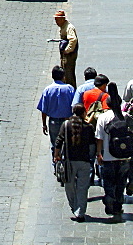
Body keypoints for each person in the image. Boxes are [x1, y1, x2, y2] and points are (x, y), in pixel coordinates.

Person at [95, 83, 132, 220]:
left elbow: (99, 138)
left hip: (108, 156)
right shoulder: (126, 116)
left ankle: (110, 201)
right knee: (121, 182)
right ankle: (118, 204)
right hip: (124, 156)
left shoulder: (103, 118)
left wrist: (99, 153)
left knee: (109, 181)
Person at [54, 104, 96, 222]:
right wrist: (91, 157)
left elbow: (58, 141)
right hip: (84, 162)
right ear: (83, 113)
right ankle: (80, 212)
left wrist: (56, 155)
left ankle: (74, 207)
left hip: (69, 162)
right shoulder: (88, 127)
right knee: (83, 188)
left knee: (69, 186)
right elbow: (92, 145)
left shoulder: (66, 125)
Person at [37, 65, 75, 152]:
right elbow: (74, 105)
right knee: (67, 144)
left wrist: (44, 124)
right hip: (67, 121)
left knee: (55, 144)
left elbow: (43, 110)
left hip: (53, 121)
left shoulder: (47, 90)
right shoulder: (69, 89)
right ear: (63, 76)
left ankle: (56, 161)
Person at [54, 11, 79, 89]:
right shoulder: (63, 27)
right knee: (65, 71)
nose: (56, 22)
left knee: (68, 74)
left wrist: (68, 50)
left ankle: (71, 89)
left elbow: (73, 40)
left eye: (57, 20)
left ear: (62, 19)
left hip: (69, 55)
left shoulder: (69, 27)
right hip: (65, 54)